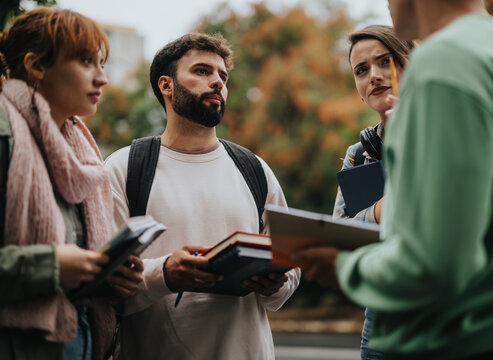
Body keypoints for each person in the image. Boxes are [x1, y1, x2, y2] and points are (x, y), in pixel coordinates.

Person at [297, 0, 493, 359]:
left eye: (385, 61)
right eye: (360, 70)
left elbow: (439, 263)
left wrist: (345, 270)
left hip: (451, 338)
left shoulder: (444, 63)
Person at [104, 32, 300, 360]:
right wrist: (164, 274)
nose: (217, 83)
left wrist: (276, 283)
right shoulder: (124, 168)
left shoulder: (256, 169)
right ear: (166, 86)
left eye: (222, 76)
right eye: (202, 71)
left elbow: (290, 268)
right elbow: (105, 282)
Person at [0, 7, 143, 360]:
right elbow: (54, 260)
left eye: (102, 63)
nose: (102, 79)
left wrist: (103, 272)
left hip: (81, 338)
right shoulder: (5, 133)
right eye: (85, 61)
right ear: (37, 66)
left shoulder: (80, 148)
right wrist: (49, 266)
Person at [332, 25, 413, 360]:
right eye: (362, 70)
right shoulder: (359, 153)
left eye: (386, 61)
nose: (375, 76)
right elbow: (339, 235)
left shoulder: (446, 132)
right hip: (381, 322)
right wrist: (379, 212)